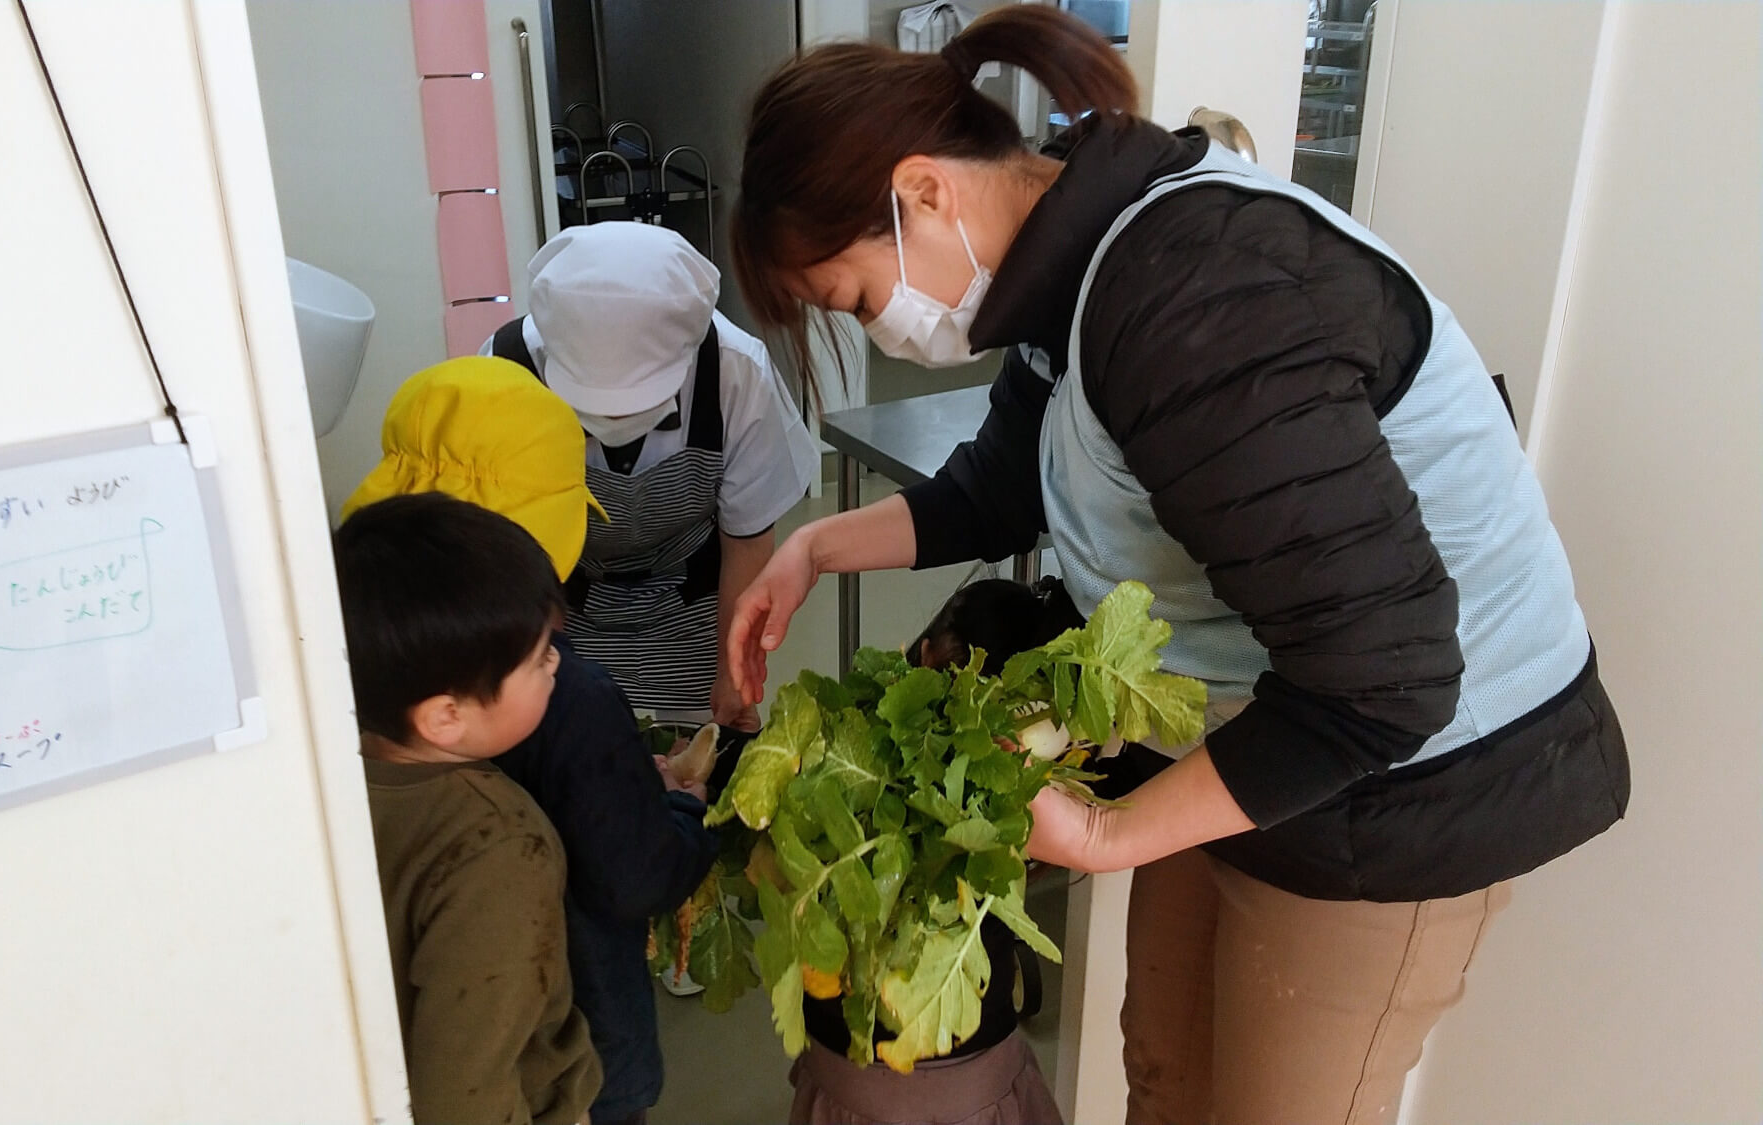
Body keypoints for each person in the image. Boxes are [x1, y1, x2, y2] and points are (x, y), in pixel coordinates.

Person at [724, 8, 1631, 1124]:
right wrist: (814, 546)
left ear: (922, 192)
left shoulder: (1192, 295)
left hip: (1401, 782)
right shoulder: (1067, 269)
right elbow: (997, 486)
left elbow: (1381, 680)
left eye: (857, 299)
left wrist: (1106, 835)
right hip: (1252, 736)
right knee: (1161, 1073)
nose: (880, 329)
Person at [342, 356, 720, 1125]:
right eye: (541, 651)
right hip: (575, 1056)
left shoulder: (363, 693)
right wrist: (687, 814)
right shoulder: (553, 742)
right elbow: (634, 873)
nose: (554, 654)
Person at [332, 491, 601, 1125]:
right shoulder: (501, 846)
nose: (557, 664)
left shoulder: (322, 783)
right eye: (539, 659)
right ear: (444, 716)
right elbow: (465, 1095)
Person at [486, 221, 818, 731]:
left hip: (692, 592)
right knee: (568, 736)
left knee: (696, 743)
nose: (614, 421)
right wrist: (547, 678)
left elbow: (747, 540)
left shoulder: (734, 371)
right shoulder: (501, 373)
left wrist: (732, 675)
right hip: (560, 591)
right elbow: (514, 552)